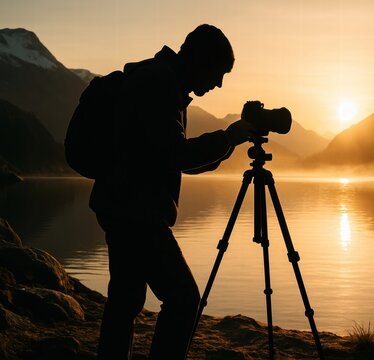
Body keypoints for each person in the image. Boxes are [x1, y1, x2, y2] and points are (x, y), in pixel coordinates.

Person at [90, 24, 254, 360]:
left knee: (125, 300)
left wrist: (224, 144)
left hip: (119, 202)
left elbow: (171, 158)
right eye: (218, 73)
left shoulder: (160, 79)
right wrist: (228, 138)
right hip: (136, 210)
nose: (218, 84)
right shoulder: (160, 83)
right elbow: (175, 155)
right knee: (183, 298)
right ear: (201, 60)